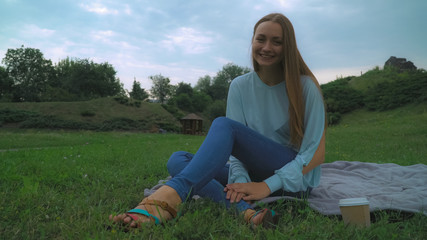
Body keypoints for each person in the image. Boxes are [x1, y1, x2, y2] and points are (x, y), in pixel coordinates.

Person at [109, 12, 326, 229]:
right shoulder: (240, 86)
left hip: (292, 181)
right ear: (252, 41)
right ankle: (247, 212)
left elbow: (314, 154)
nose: (267, 47)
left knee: (224, 125)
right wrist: (240, 182)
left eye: (276, 42)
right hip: (252, 175)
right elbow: (238, 151)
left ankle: (167, 198)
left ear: (287, 46)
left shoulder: (306, 87)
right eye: (261, 39)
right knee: (177, 160)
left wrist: (265, 187)